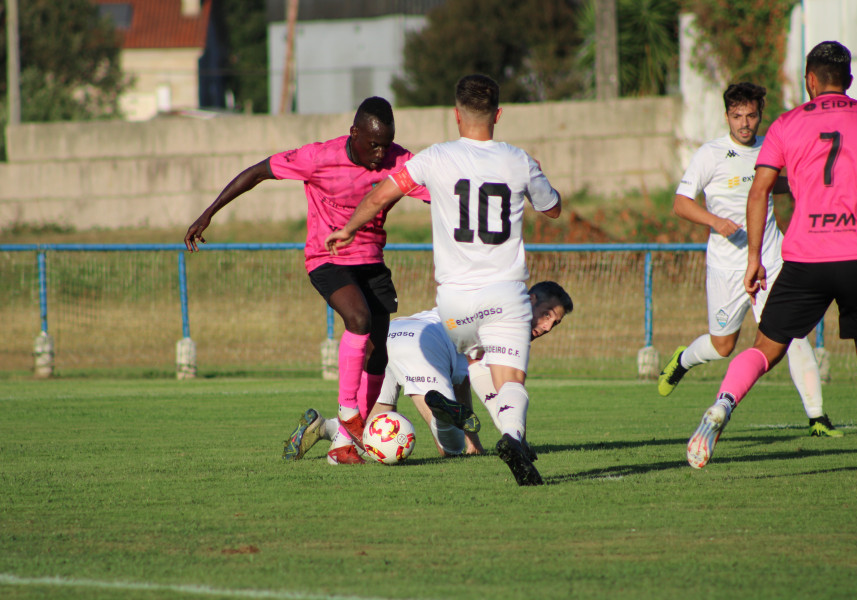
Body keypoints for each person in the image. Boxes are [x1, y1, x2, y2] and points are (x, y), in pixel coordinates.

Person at [324, 74, 563, 485]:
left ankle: (466, 415)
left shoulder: (433, 158)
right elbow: (553, 208)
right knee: (510, 381)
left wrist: (347, 229)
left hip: (453, 304)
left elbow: (382, 194)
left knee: (472, 362)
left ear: (456, 116)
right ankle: (514, 438)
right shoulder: (517, 160)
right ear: (499, 115)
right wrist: (538, 174)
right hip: (505, 293)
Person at [686, 41, 857, 477]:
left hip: (804, 259)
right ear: (849, 80)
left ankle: (723, 404)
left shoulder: (785, 125)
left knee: (766, 346)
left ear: (809, 81)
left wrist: (752, 259)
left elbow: (760, 191)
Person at [184, 97, 430, 465]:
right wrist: (208, 214)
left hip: (371, 262)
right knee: (358, 319)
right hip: (327, 258)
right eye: (373, 144)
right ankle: (348, 413)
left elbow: (443, 193)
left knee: (379, 354)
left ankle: (342, 444)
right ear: (354, 134)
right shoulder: (318, 157)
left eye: (386, 143)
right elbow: (257, 171)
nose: (381, 153)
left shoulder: (401, 161)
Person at [658, 82, 841, 437]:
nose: (745, 123)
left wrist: (808, 183)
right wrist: (716, 222)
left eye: (752, 115)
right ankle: (681, 361)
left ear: (761, 116)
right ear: (726, 115)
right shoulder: (710, 154)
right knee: (722, 346)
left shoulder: (770, 147)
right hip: (727, 266)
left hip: (772, 258)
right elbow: (681, 203)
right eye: (737, 115)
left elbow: (776, 184)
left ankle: (817, 417)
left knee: (793, 332)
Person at [283, 281, 574, 461]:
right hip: (423, 346)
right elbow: (474, 384)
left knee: (368, 436)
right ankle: (442, 413)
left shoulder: (490, 305)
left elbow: (463, 377)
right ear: (531, 300)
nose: (547, 326)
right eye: (547, 314)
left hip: (394, 333)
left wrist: (476, 440)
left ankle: (322, 426)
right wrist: (487, 442)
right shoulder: (506, 329)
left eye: (555, 324)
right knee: (452, 449)